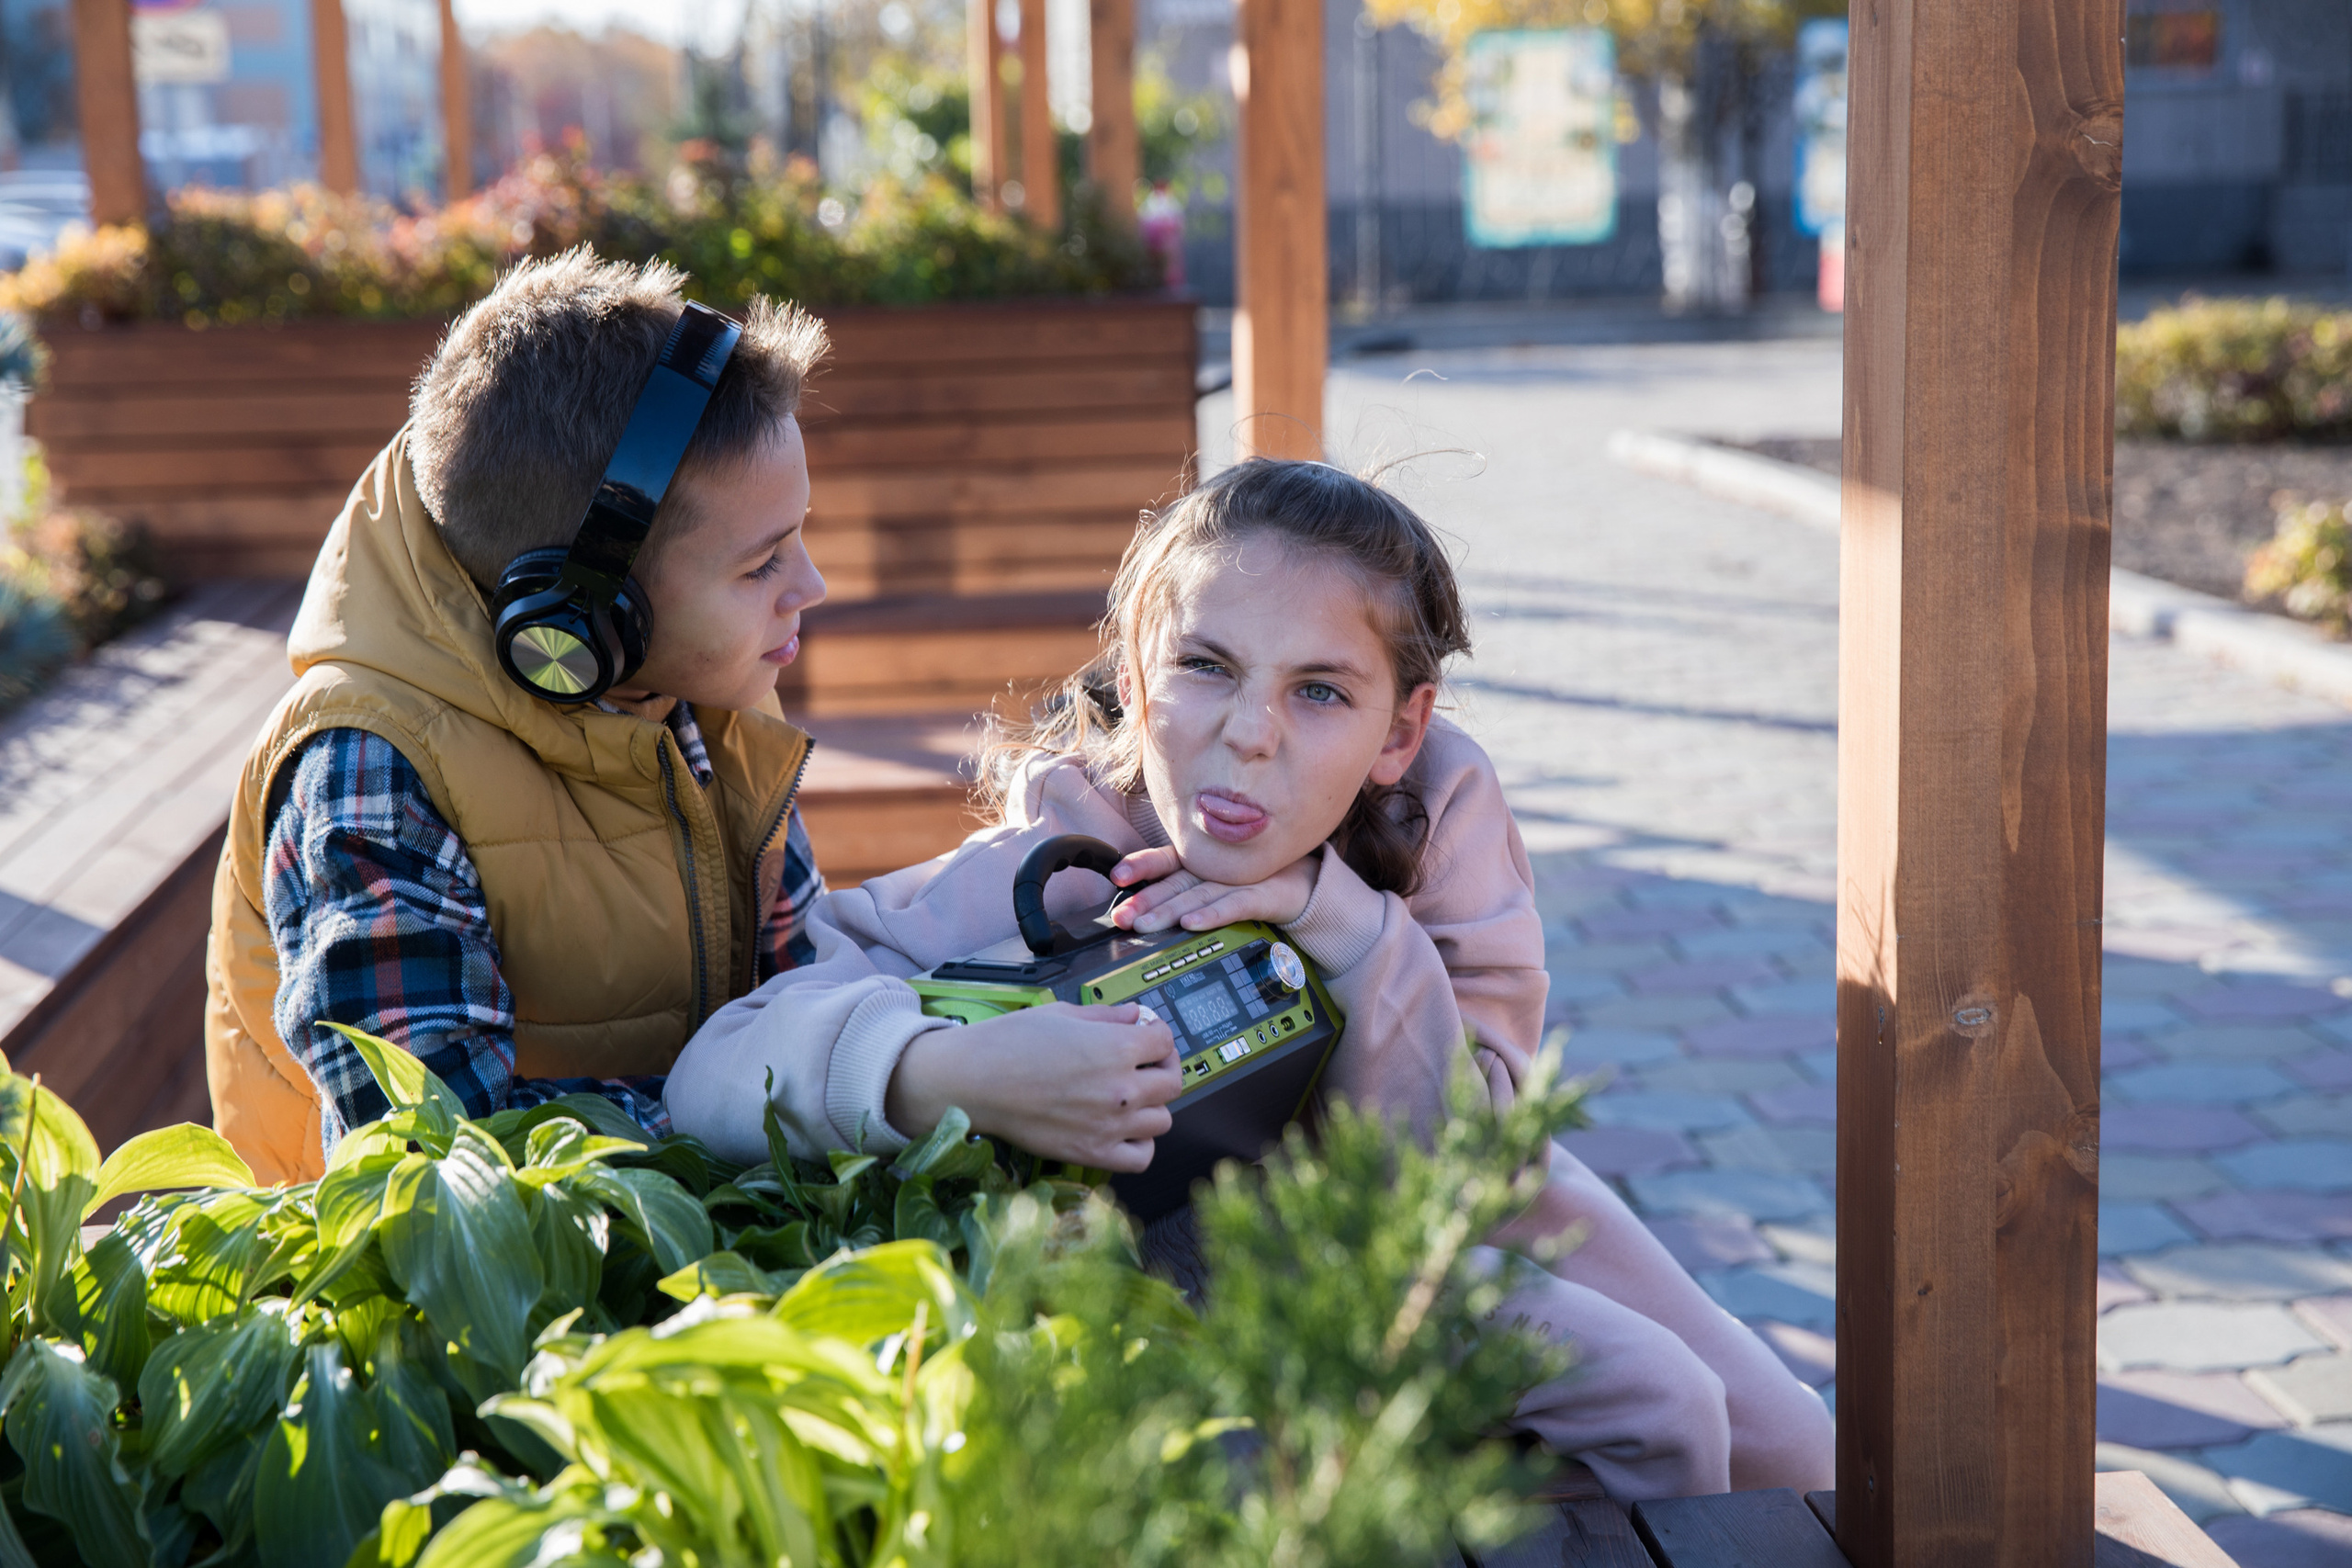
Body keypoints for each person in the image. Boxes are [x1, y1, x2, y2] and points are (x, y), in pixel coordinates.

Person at [663, 457, 1833, 1500]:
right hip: (1209, 1269)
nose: (1249, 734)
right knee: (1661, 1407)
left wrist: (1349, 928)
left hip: (1447, 1203)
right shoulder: (1055, 872)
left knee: (1797, 1451)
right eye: (1206, 667)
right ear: (1137, 673)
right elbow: (718, 1067)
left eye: (1318, 690)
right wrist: (942, 1071)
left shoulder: (1438, 822)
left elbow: (1459, 1163)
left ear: (1398, 731)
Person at [207, 250, 916, 1186]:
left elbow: (802, 981)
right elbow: (436, 1158)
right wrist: (802, 1100)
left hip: (683, 1235)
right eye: (761, 565)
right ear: (578, 617)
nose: (811, 587)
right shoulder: (370, 767)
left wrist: (989, 935)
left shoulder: (696, 695)